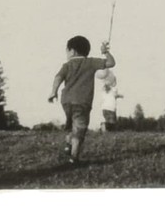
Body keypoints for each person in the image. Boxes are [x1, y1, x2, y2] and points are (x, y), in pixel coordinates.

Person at [48, 35, 115, 163]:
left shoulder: (67, 65)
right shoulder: (91, 62)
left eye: (67, 51)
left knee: (72, 126)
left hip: (66, 101)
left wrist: (53, 92)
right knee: (80, 129)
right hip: (82, 102)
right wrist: (105, 52)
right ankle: (74, 158)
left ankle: (68, 144)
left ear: (72, 51)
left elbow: (58, 77)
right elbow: (111, 63)